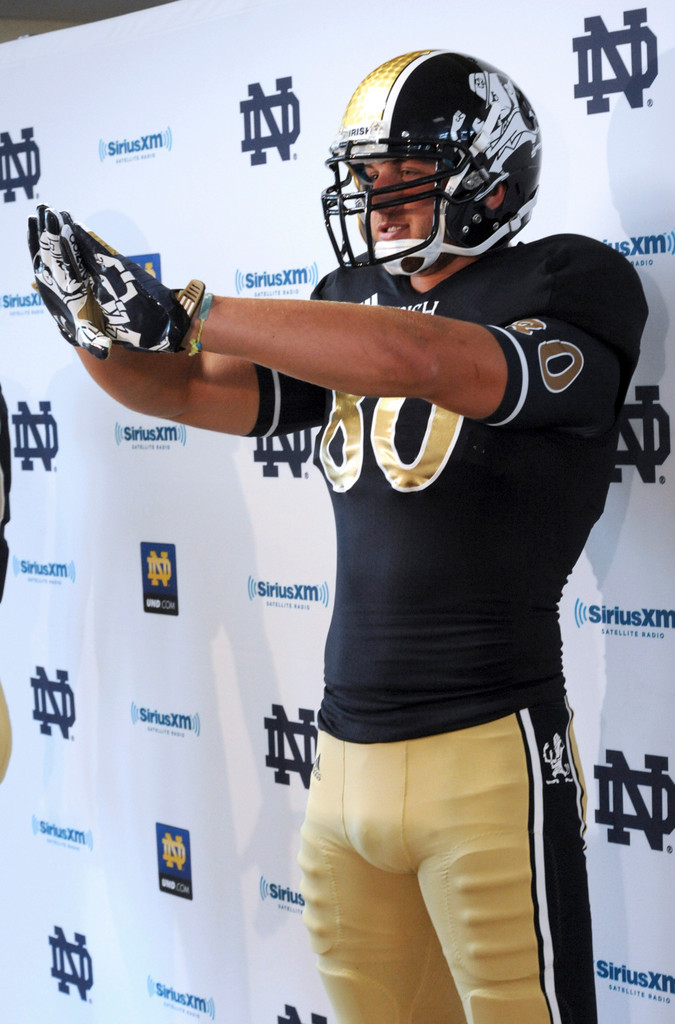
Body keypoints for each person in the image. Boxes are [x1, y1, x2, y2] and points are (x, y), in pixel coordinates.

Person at [29, 50, 647, 1024]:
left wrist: (191, 308)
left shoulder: (572, 279)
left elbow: (422, 356)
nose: (374, 194)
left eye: (401, 171)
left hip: (491, 748)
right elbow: (190, 388)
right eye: (365, 174)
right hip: (344, 756)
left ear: (485, 174)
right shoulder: (348, 292)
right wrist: (92, 329)